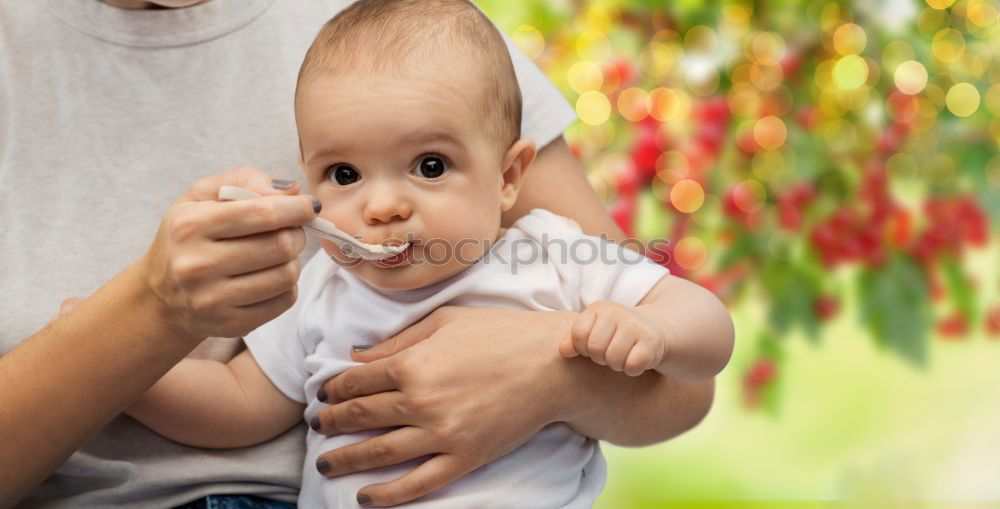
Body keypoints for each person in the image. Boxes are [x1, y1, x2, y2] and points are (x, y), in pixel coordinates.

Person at [0, 0, 724, 507]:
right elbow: (243, 402)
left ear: (509, 176)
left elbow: (698, 330)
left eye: (430, 167)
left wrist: (640, 336)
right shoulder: (323, 288)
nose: (381, 205)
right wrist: (125, 351)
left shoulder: (550, 253)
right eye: (344, 176)